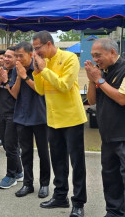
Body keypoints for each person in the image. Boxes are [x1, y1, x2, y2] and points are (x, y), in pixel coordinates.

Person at [32, 31, 87, 217]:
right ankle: (60, 196)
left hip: (72, 118)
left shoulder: (70, 57)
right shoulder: (43, 63)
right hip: (53, 119)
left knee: (77, 163)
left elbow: (64, 85)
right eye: (34, 49)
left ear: (48, 44)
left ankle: (78, 203)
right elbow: (40, 90)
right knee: (58, 160)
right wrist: (37, 71)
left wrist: (44, 70)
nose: (36, 52)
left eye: (38, 48)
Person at [85, 38, 125, 217]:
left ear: (112, 53)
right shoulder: (101, 73)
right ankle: (114, 212)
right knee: (110, 177)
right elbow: (91, 101)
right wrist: (92, 80)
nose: (95, 59)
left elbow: (123, 99)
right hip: (108, 136)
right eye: (93, 56)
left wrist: (99, 80)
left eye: (98, 55)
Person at [9, 42, 50, 199]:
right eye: (16, 56)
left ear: (31, 54)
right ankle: (28, 183)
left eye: (21, 56)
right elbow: (14, 94)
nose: (18, 59)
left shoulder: (39, 68)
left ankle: (45, 184)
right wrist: (19, 76)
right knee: (25, 153)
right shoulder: (15, 70)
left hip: (40, 117)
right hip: (22, 116)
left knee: (43, 152)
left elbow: (42, 90)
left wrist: (25, 76)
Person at [0, 46, 23, 189]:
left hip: (13, 114)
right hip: (2, 113)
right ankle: (20, 172)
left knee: (10, 146)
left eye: (10, 56)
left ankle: (11, 175)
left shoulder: (18, 73)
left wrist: (5, 82)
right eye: (5, 56)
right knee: (8, 144)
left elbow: (16, 94)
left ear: (16, 59)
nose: (5, 59)